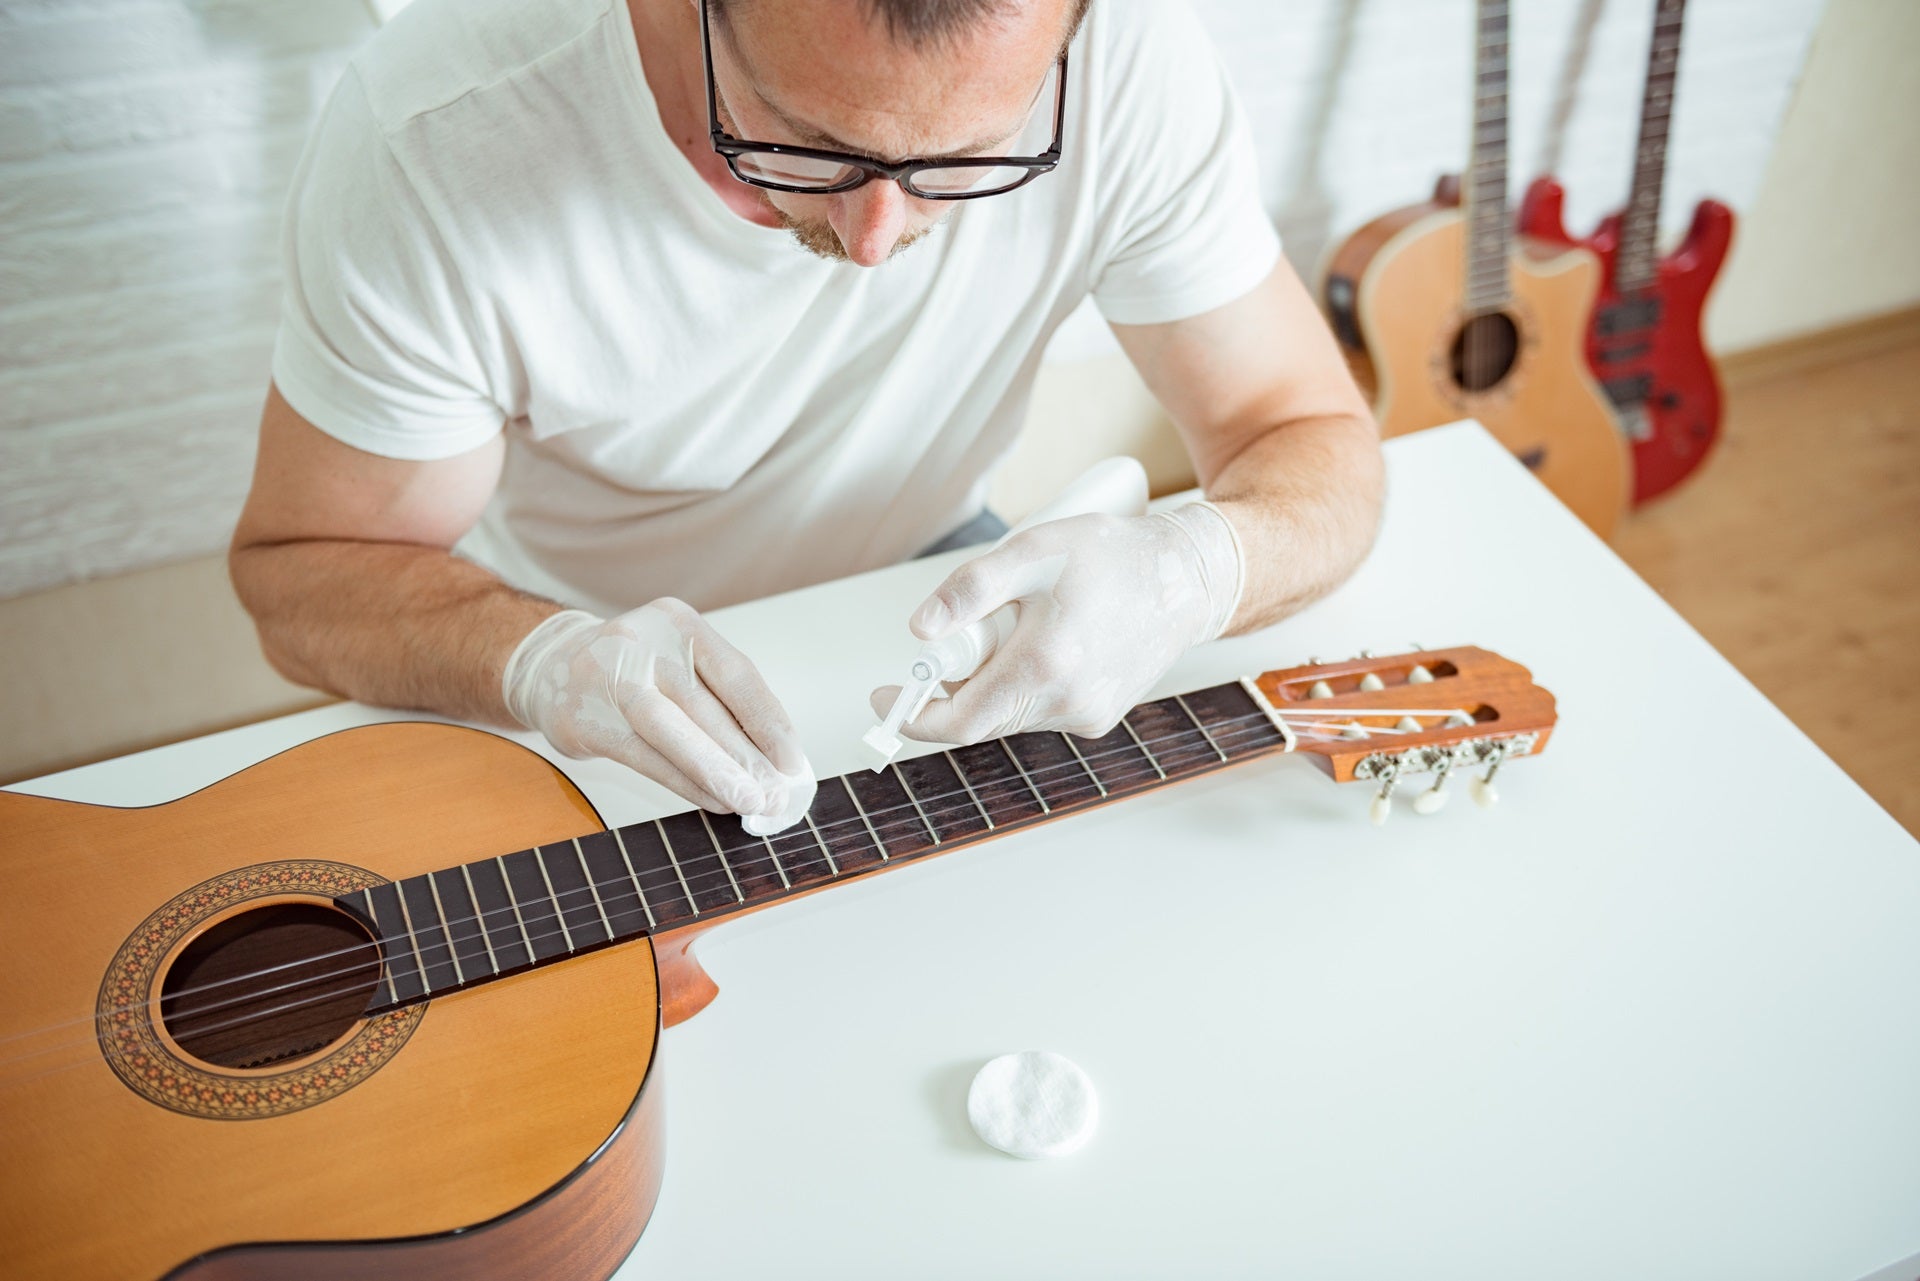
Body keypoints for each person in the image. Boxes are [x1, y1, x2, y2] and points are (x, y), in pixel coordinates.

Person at [230, 0, 1383, 830]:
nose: (877, 238)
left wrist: (1200, 568)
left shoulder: (1134, 62)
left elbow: (1309, 439)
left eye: (965, 158)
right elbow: (305, 574)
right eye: (806, 139)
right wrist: (542, 659)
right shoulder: (440, 138)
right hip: (581, 652)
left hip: (927, 586)